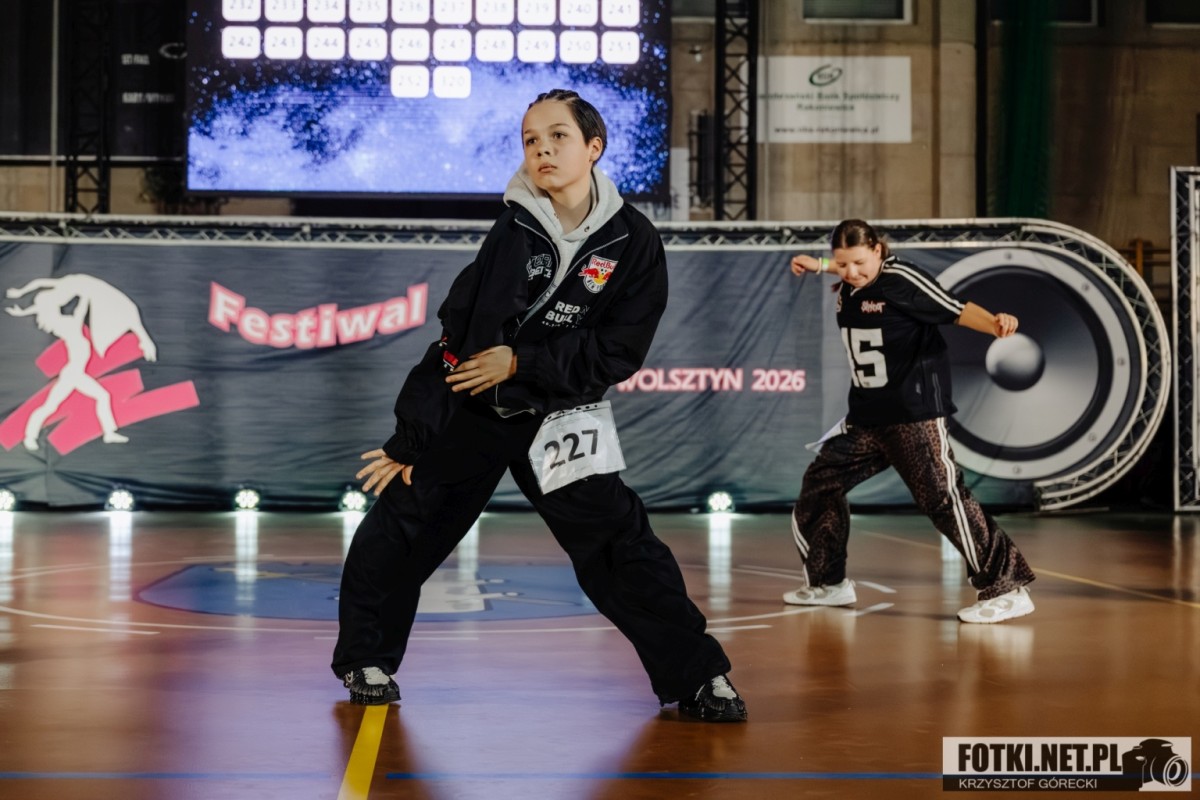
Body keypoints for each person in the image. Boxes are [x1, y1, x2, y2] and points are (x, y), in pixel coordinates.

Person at [331, 89, 746, 722]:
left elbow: (619, 351)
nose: (542, 150)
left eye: (558, 136)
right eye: (531, 140)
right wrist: (413, 436)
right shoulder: (513, 228)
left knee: (621, 544)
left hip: (558, 412)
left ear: (593, 147)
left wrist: (525, 363)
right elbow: (458, 339)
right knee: (402, 522)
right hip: (476, 407)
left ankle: (699, 677)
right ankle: (367, 659)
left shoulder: (634, 240)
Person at [783, 219, 1036, 624]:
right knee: (821, 484)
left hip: (912, 416)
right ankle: (829, 584)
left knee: (943, 498)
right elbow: (846, 267)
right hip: (867, 419)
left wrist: (994, 324)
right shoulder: (851, 279)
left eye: (859, 263)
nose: (851, 272)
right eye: (842, 264)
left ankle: (1007, 588)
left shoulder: (901, 279)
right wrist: (819, 266)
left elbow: (955, 309)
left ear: (878, 251)